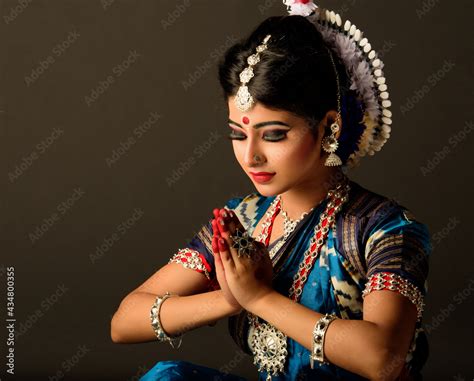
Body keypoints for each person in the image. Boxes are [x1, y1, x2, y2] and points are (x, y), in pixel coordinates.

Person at [110, 2, 432, 380]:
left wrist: (260, 298)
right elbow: (124, 322)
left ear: (329, 125)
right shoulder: (245, 222)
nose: (251, 156)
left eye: (274, 135)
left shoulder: (383, 229)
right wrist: (229, 299)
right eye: (237, 134)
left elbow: (383, 360)